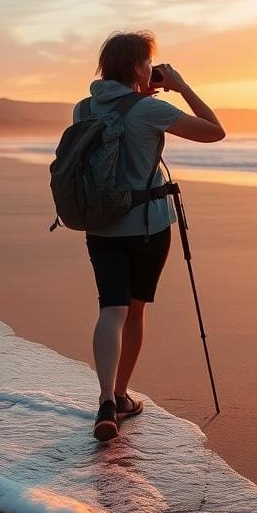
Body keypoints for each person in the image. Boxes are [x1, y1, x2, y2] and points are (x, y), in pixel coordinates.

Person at [79, 31, 225, 442]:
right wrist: (178, 86)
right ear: (137, 67)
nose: (152, 69)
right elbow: (215, 131)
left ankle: (106, 400)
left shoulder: (83, 107)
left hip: (100, 224)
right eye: (148, 63)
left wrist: (142, 88)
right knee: (135, 311)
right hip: (147, 225)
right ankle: (122, 394)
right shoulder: (149, 110)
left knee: (111, 310)